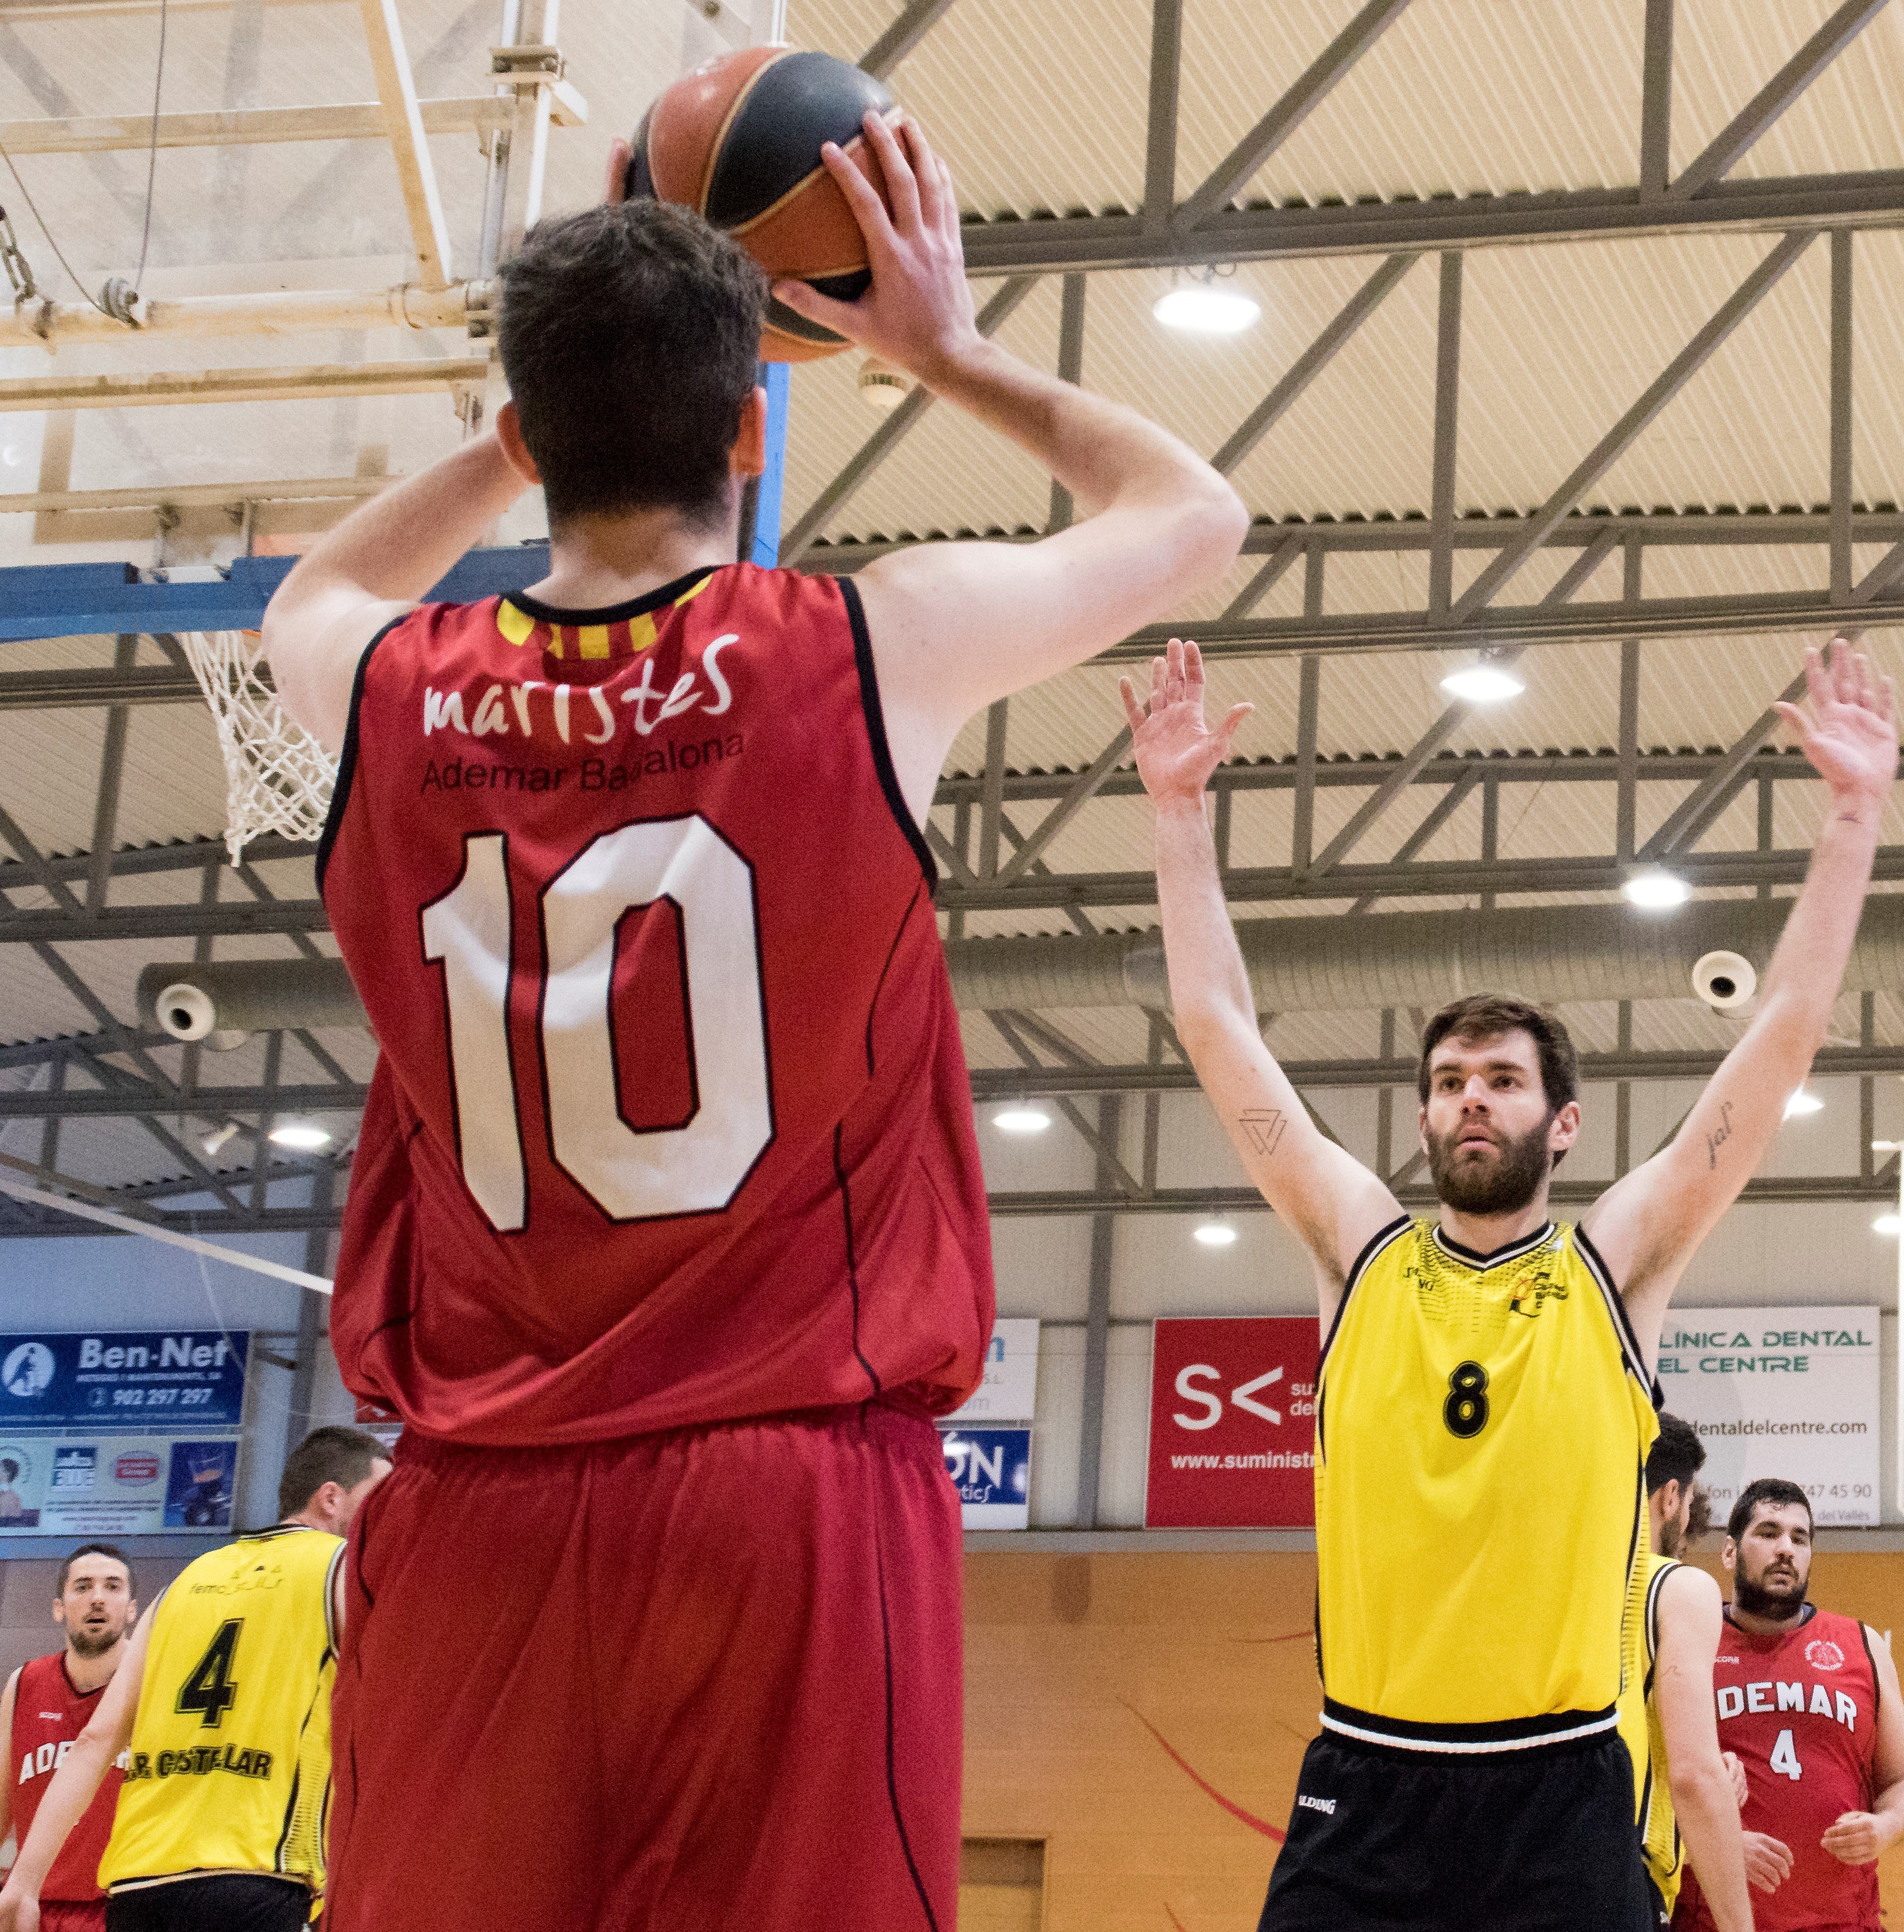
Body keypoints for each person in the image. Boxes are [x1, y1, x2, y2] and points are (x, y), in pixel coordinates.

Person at [257, 110, 1244, 1932]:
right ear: (747, 426)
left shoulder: (381, 680)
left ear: (530, 438)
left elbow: (301, 597)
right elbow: (1197, 512)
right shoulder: (874, 644)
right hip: (784, 1486)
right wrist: (939, 347)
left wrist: (516, 435)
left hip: (473, 1497)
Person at [1117, 633, 1898, 1931]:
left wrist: (1853, 817)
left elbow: (1777, 1045)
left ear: (1563, 1123)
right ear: (1421, 1119)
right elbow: (1213, 1025)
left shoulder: (1613, 1265)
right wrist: (1177, 811)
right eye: (1445, 1083)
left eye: (1499, 1081)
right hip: (1366, 1777)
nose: (1468, 1100)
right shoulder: (1355, 1248)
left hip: (1562, 1788)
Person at [0, 1428, 390, 1932]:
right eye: (380, 1498)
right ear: (332, 1496)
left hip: (139, 1889)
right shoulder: (342, 1569)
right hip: (256, 1875)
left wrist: (23, 1885)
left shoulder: (183, 1582)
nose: (390, 1517)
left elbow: (96, 1737)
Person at [1670, 1479, 1904, 1932]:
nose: (1785, 1548)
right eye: (1768, 1533)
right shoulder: (1689, 1642)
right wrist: (1715, 1842)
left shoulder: (1863, 1645)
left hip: (1845, 1922)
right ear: (1730, 1552)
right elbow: (1650, 1788)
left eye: (1799, 1537)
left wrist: (1885, 1827)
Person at [1621, 1414, 1754, 1932]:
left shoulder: (1546, 1584)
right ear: (1670, 1496)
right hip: (1618, 1878)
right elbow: (1694, 1778)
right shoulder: (1677, 1586)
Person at [1, 1544, 139, 1932]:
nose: (97, 1597)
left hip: (119, 1906)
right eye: (83, 1586)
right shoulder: (24, 1681)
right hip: (32, 1905)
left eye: (112, 1586)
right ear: (59, 1607)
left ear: (132, 1609)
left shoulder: (156, 1685)